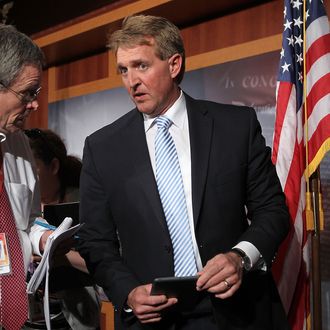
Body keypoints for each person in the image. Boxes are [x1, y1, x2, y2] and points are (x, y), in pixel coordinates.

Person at [78, 15, 291, 330]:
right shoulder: (102, 147)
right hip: (154, 319)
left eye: (141, 66)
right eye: (123, 70)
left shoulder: (235, 126)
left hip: (239, 312)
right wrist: (127, 292)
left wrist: (240, 257)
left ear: (174, 65)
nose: (131, 81)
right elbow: (95, 240)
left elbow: (272, 211)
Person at [0, 24, 51, 329]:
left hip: (20, 311)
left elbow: (28, 219)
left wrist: (44, 237)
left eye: (37, 93)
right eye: (27, 93)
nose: (34, 104)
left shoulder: (20, 144)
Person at [25, 128, 101, 330]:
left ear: (54, 166)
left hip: (75, 317)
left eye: (32, 168)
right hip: (25, 318)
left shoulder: (85, 206)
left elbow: (106, 261)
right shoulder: (17, 209)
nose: (26, 178)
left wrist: (57, 255)